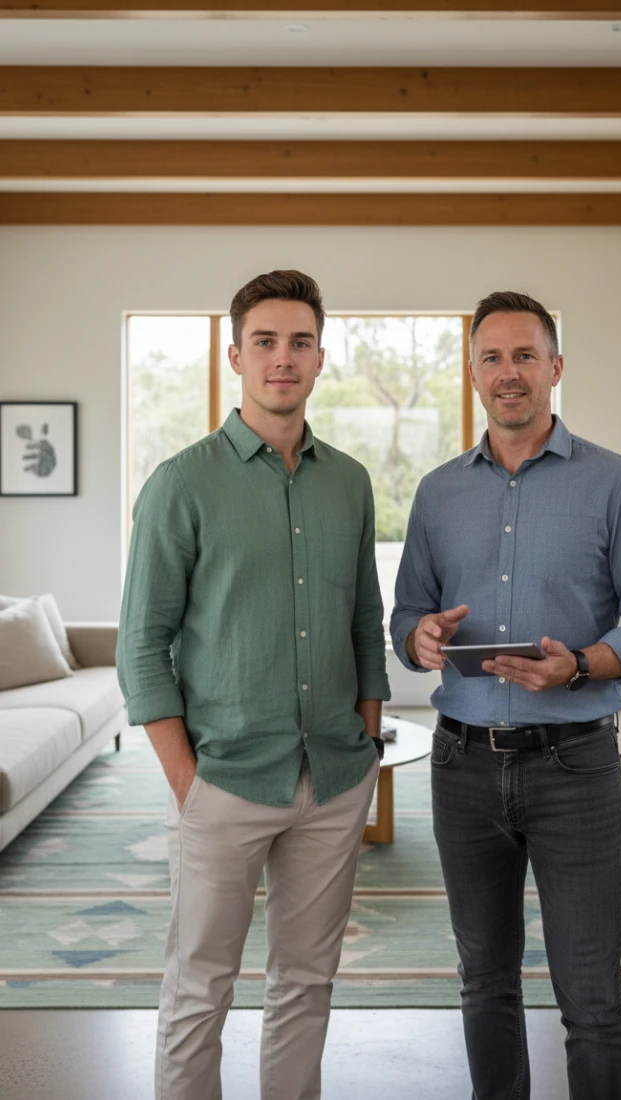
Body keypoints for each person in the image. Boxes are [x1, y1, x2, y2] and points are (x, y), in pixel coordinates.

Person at [391, 291, 621, 1100]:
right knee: (484, 981)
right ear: (474, 372)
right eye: (492, 357)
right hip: (462, 764)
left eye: (525, 356)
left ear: (555, 368)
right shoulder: (437, 493)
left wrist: (584, 664)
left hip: (577, 768)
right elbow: (406, 618)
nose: (508, 373)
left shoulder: (617, 483)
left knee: (592, 999)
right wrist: (418, 638)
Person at [117, 270, 389, 1100]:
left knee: (307, 983)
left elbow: (363, 624)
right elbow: (141, 644)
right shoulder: (181, 483)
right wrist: (184, 782)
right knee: (200, 989)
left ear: (319, 358)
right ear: (235, 355)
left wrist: (369, 740)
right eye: (265, 342)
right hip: (222, 779)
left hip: (335, 778)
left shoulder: (349, 482)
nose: (283, 358)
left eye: (300, 342)